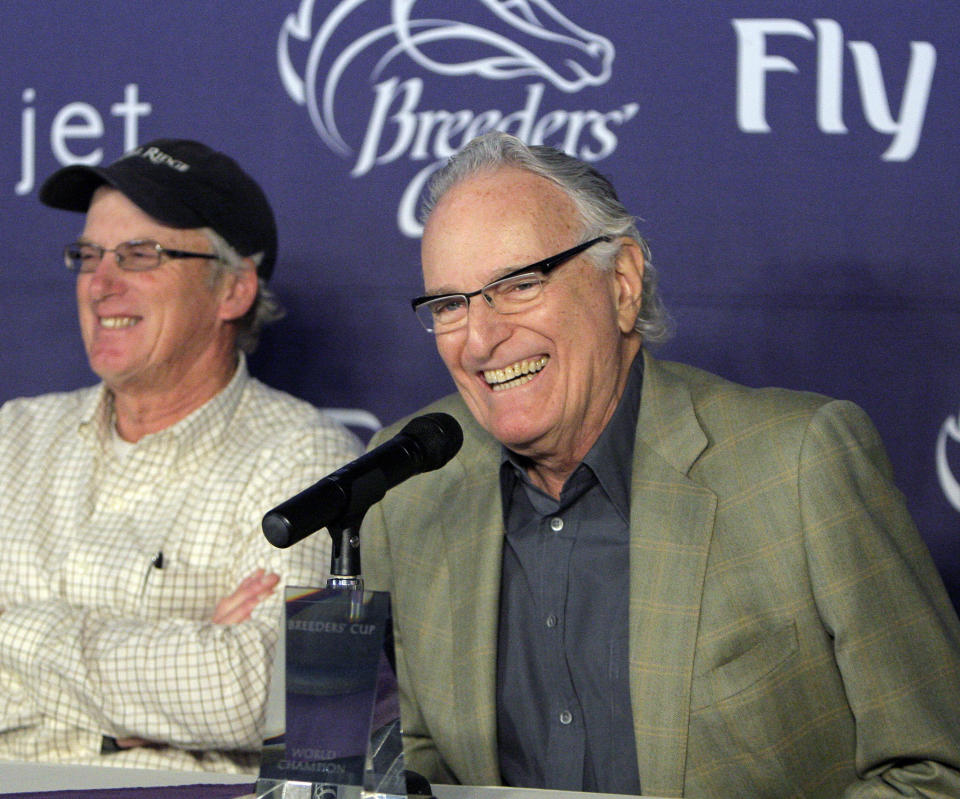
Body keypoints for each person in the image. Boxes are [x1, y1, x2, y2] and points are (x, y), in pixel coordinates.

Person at [360, 131, 960, 797]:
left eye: (520, 284)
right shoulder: (408, 488)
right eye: (449, 304)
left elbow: (934, 768)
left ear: (621, 283)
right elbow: (410, 761)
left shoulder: (798, 463)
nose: (478, 339)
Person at [0, 139, 362, 773]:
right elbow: (221, 695)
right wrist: (166, 700)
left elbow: (274, 697)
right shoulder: (13, 437)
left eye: (141, 255)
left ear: (234, 290)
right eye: (88, 256)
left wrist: (13, 632)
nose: (100, 285)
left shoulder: (307, 462)